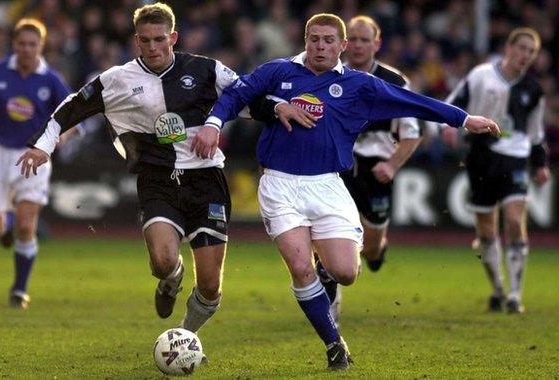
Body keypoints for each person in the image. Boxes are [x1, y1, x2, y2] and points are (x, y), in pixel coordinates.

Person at [192, 13, 500, 370]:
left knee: (346, 273)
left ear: (342, 46)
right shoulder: (278, 71)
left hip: (327, 185)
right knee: (299, 267)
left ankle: (328, 276)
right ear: (305, 41)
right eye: (314, 39)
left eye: (328, 41)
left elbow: (411, 101)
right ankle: (334, 344)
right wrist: (214, 124)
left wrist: (462, 119)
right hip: (279, 184)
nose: (320, 46)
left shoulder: (359, 85)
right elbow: (236, 93)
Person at [16, 3, 279, 337]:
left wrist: (279, 108)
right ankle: (171, 279)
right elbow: (71, 108)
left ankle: (185, 335)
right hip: (157, 180)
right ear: (136, 41)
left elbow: (247, 99)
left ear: (173, 37)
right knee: (163, 262)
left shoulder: (206, 70)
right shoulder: (116, 80)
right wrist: (43, 145)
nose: (153, 47)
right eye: (145, 41)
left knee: (210, 286)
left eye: (159, 40)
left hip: (206, 179)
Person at [315, 15, 424, 327]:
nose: (359, 45)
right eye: (355, 39)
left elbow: (412, 133)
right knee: (327, 231)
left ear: (377, 43)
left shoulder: (395, 81)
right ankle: (330, 302)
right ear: (346, 43)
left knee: (372, 243)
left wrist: (392, 164)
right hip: (336, 165)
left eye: (366, 40)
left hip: (377, 167)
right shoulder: (328, 74)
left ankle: (375, 253)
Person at [0, 18, 80, 309]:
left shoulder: (51, 79)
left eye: (33, 44)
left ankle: (19, 290)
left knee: (28, 226)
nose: (27, 49)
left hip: (33, 154)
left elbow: (72, 114)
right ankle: (8, 224)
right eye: (22, 43)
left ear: (41, 45)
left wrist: (62, 135)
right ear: (14, 45)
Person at [442, 27, 550, 314]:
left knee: (515, 221)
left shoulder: (533, 89)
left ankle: (515, 294)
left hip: (515, 158)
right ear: (509, 48)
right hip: (481, 157)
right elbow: (455, 102)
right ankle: (499, 289)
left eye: (532, 51)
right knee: (487, 232)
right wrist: (448, 127)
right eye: (522, 48)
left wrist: (540, 164)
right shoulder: (481, 75)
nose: (525, 55)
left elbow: (535, 133)